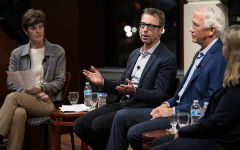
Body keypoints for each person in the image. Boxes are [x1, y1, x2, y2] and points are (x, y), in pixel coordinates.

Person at [106, 5, 227, 150]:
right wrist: (167, 104)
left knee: (134, 132)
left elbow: (210, 103)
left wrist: (173, 111)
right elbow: (181, 94)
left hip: (187, 117)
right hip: (174, 109)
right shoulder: (202, 52)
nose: (190, 28)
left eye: (195, 25)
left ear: (212, 30)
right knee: (121, 117)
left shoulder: (219, 57)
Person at [73, 8, 177, 150]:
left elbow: (160, 95)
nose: (145, 30)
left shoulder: (166, 59)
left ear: (161, 30)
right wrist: (102, 82)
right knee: (80, 125)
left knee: (99, 124)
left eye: (151, 26)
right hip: (124, 103)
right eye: (142, 25)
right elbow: (122, 84)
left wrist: (135, 91)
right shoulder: (135, 54)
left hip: (144, 107)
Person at [151, 24, 240, 150]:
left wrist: (184, 131)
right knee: (157, 142)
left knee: (162, 146)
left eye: (224, 45)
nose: (222, 49)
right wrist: (167, 105)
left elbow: (216, 123)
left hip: (221, 141)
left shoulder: (235, 89)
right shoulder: (231, 81)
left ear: (232, 51)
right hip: (209, 131)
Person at [0, 9, 66, 150]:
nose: (38, 31)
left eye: (40, 26)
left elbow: (60, 80)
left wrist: (41, 88)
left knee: (12, 98)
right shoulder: (17, 54)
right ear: (26, 31)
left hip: (47, 102)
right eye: (33, 28)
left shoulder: (57, 51)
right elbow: (10, 81)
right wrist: (32, 92)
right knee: (18, 113)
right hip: (25, 99)